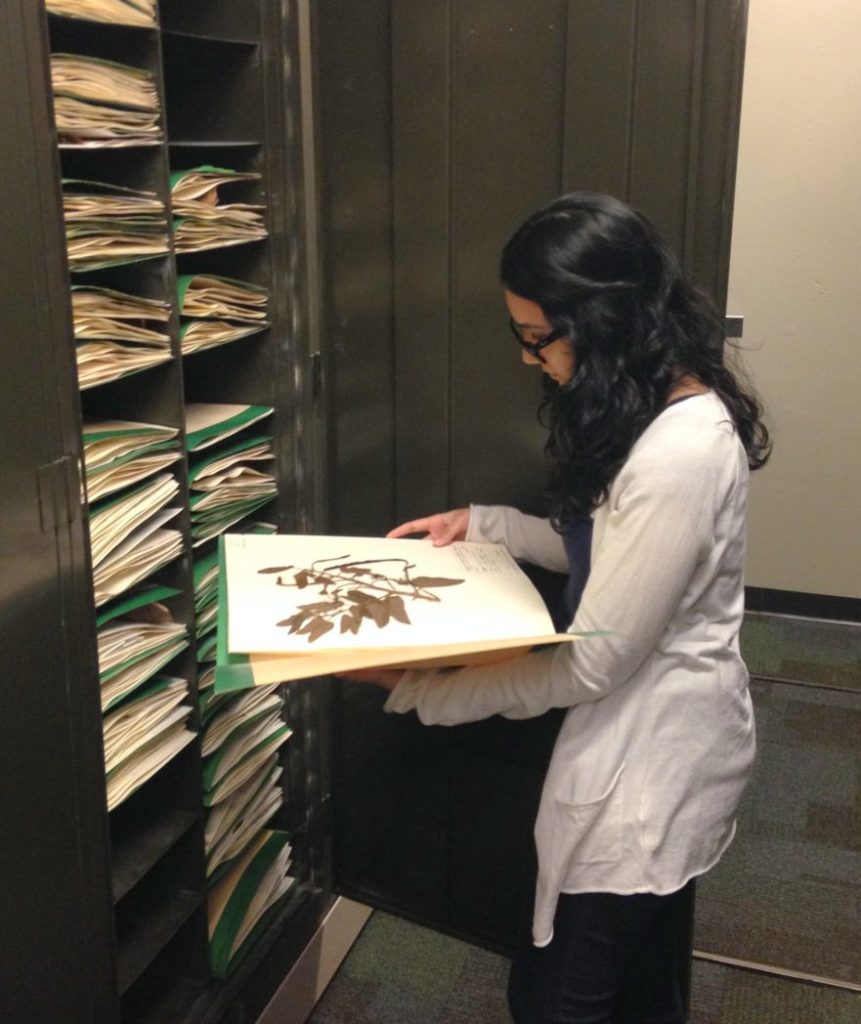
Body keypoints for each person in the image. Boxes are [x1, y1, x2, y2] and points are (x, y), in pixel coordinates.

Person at [344, 192, 770, 1024]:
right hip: (655, 747)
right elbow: (613, 548)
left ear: (605, 321)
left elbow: (594, 658)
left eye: (537, 338)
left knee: (559, 1000)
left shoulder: (679, 452)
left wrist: (420, 690)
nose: (527, 358)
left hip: (649, 770)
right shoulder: (657, 400)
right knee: (640, 984)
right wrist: (488, 526)